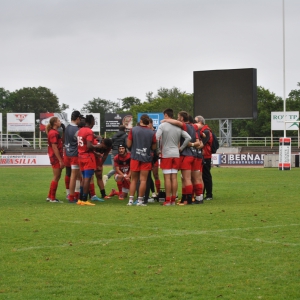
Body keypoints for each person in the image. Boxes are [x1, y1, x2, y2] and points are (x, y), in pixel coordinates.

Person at [156, 108, 191, 206]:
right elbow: (188, 138)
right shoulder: (178, 127)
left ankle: (167, 200)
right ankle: (173, 200)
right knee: (174, 178)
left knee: (167, 178)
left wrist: (158, 149)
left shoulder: (162, 125)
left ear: (166, 115)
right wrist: (181, 148)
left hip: (166, 154)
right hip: (176, 154)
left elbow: (156, 137)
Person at [126, 114, 156, 206]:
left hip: (135, 157)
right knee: (143, 180)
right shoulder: (152, 133)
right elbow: (154, 147)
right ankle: (140, 201)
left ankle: (130, 200)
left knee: (134, 180)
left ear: (141, 121)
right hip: (146, 158)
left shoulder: (133, 130)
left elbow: (129, 144)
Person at [76, 114, 100, 206]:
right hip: (87, 157)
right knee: (87, 179)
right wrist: (97, 146)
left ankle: (80, 199)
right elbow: (89, 146)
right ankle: (85, 199)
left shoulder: (81, 130)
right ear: (92, 121)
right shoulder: (89, 131)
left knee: (83, 179)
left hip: (80, 156)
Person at [64, 110, 84, 203]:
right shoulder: (76, 130)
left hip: (68, 153)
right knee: (74, 176)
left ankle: (74, 194)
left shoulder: (67, 127)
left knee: (74, 175)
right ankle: (72, 196)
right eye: (80, 118)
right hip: (74, 154)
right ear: (77, 118)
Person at [46, 116, 65, 203]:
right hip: (55, 157)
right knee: (56, 176)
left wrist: (64, 131)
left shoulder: (54, 132)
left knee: (56, 176)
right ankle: (52, 198)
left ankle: (50, 196)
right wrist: (60, 160)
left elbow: (61, 142)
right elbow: (54, 147)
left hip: (55, 157)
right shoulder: (53, 133)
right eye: (58, 121)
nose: (60, 122)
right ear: (54, 123)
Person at [195, 115, 213, 200]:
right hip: (204, 155)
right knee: (201, 175)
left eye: (196, 122)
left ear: (200, 122)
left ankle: (209, 194)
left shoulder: (206, 131)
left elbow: (202, 144)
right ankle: (202, 193)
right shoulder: (202, 131)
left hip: (206, 155)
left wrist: (192, 146)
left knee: (206, 175)